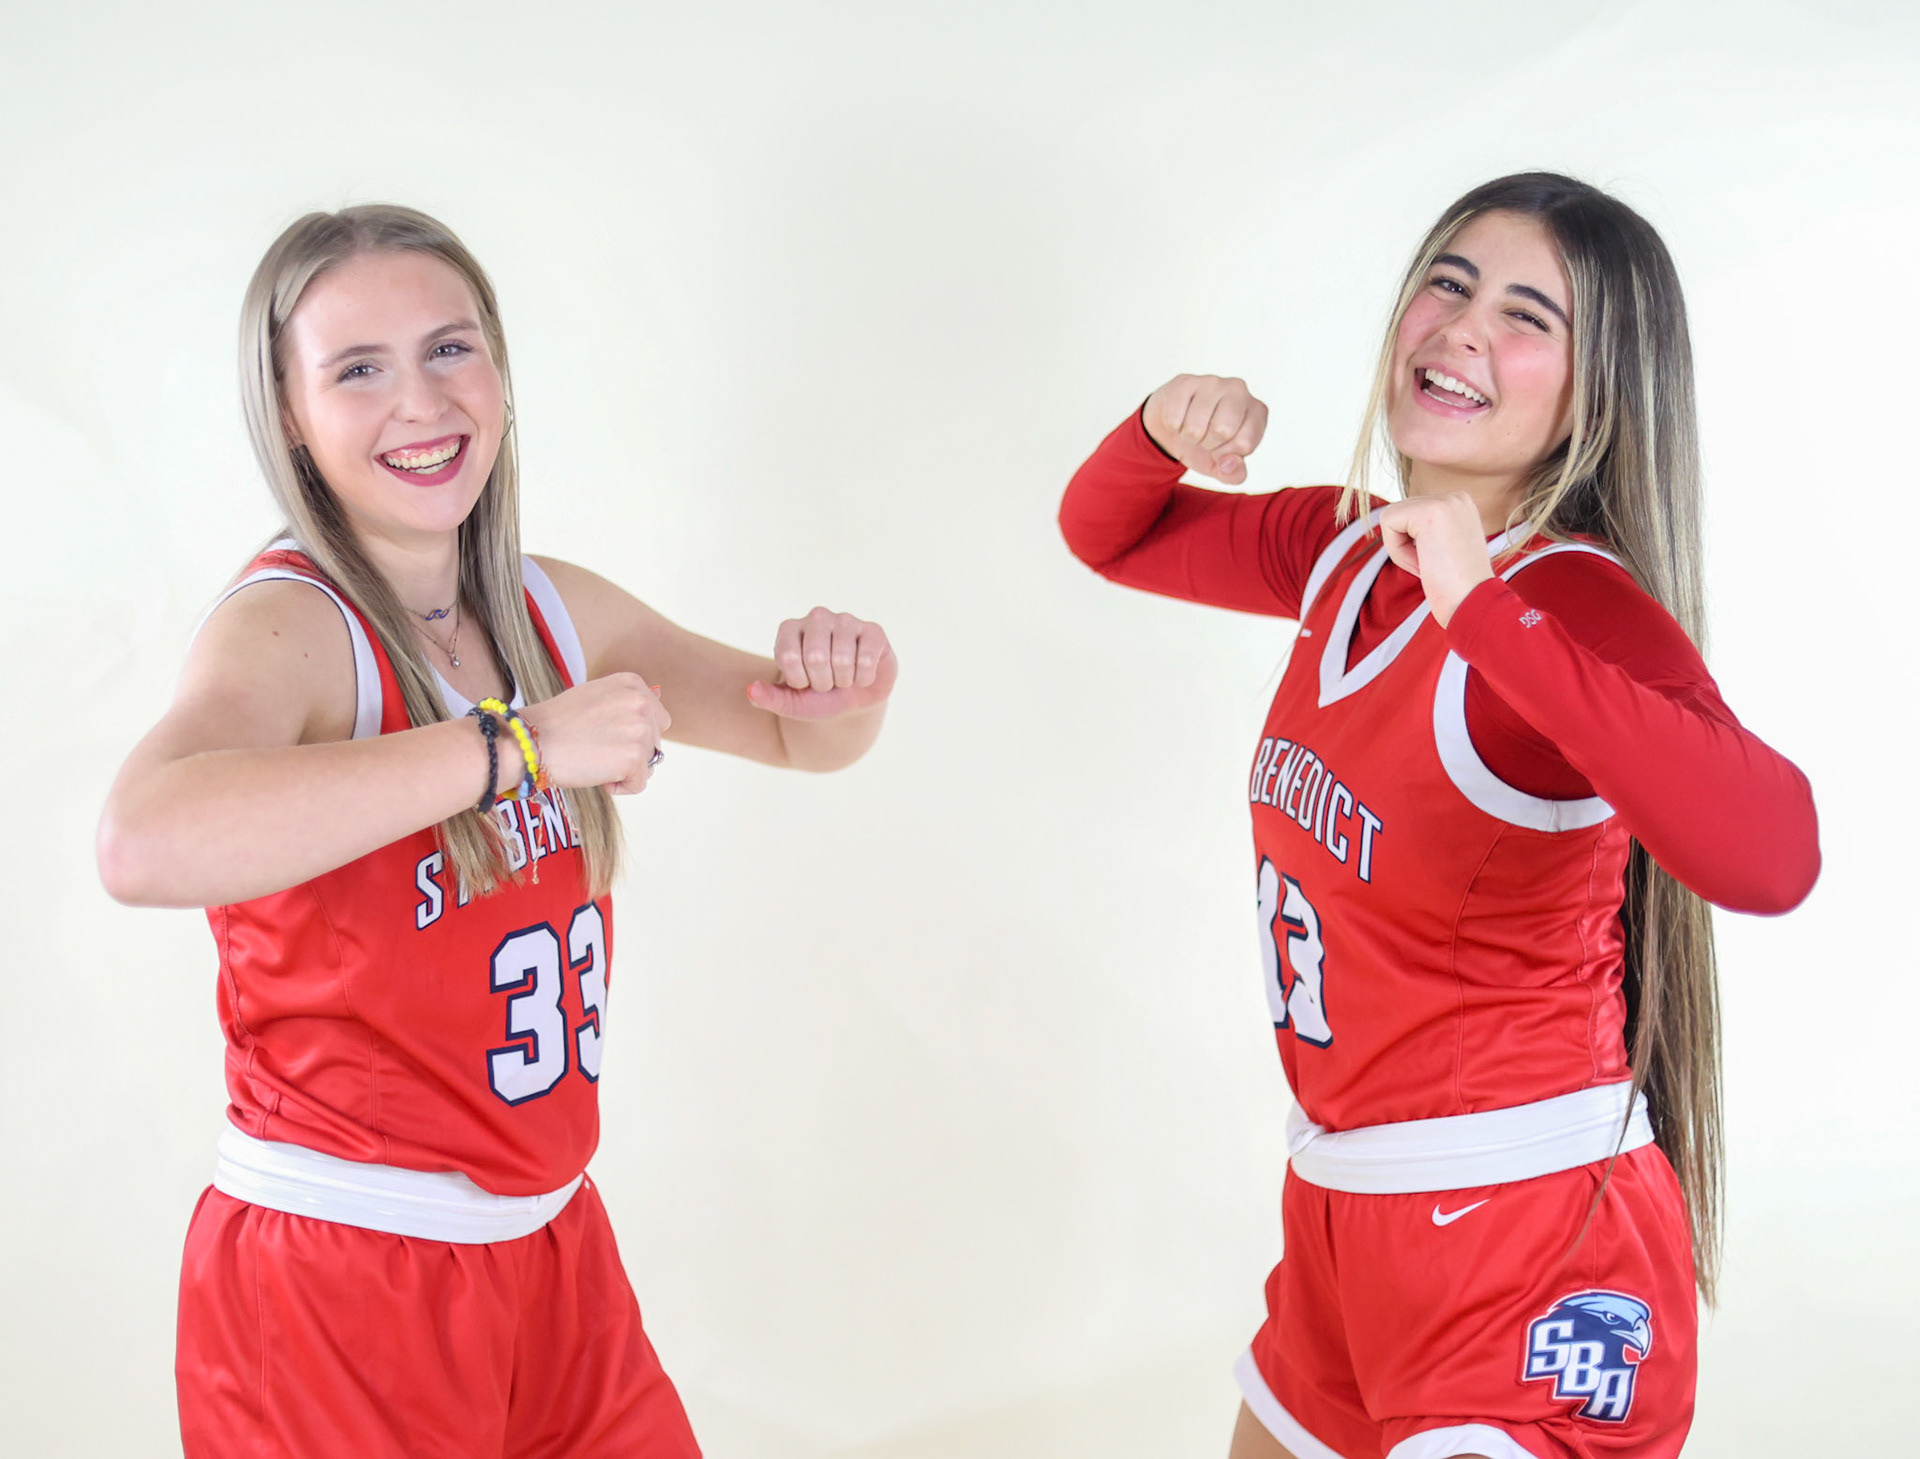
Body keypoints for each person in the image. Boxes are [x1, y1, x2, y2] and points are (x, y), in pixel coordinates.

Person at [97, 204, 898, 1458]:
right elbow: (141, 842)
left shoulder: (548, 611)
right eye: (357, 369)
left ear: (504, 378)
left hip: (550, 1247)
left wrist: (848, 687)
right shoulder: (291, 629)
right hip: (343, 1270)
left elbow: (801, 735)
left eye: (450, 348)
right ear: (292, 420)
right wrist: (511, 751)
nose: (419, 400)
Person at [1057, 172, 1818, 1459]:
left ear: (1598, 392)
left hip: (1530, 1237)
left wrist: (1485, 609)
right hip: (1346, 1216)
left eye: (1528, 315)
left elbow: (1772, 852)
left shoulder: (1568, 603)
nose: (1464, 326)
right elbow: (1110, 535)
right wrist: (1155, 428)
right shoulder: (1352, 548)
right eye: (1449, 282)